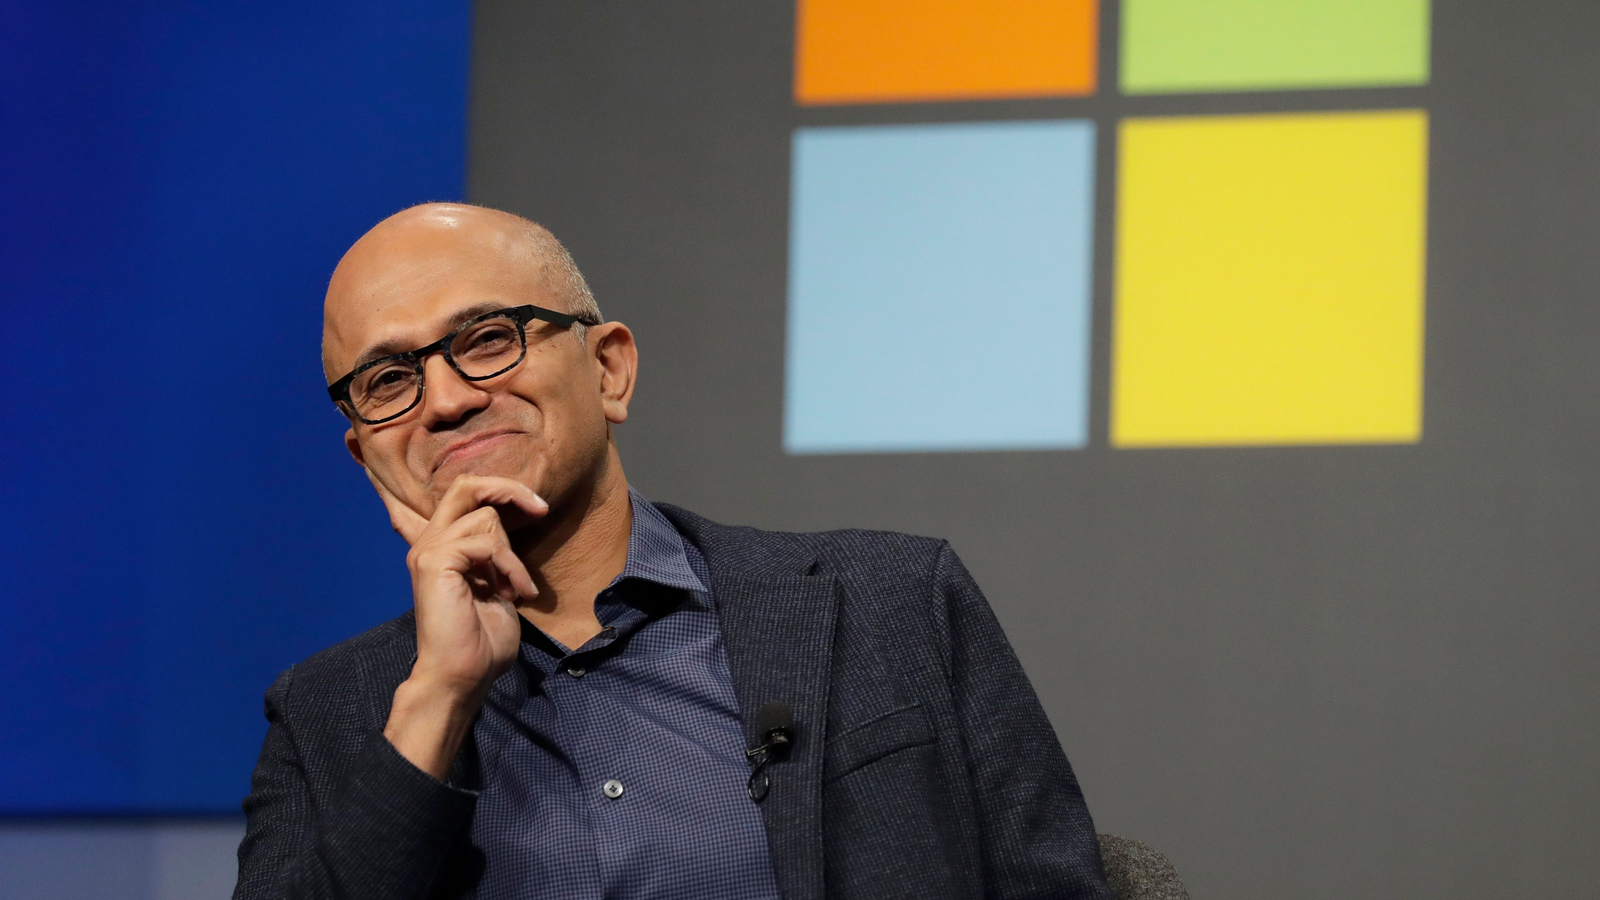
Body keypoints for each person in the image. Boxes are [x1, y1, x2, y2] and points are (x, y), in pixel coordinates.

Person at [233, 202, 1113, 900]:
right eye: (389, 380)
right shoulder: (329, 717)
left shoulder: (893, 604)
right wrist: (439, 699)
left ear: (609, 369)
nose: (448, 399)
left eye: (488, 339)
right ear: (366, 451)